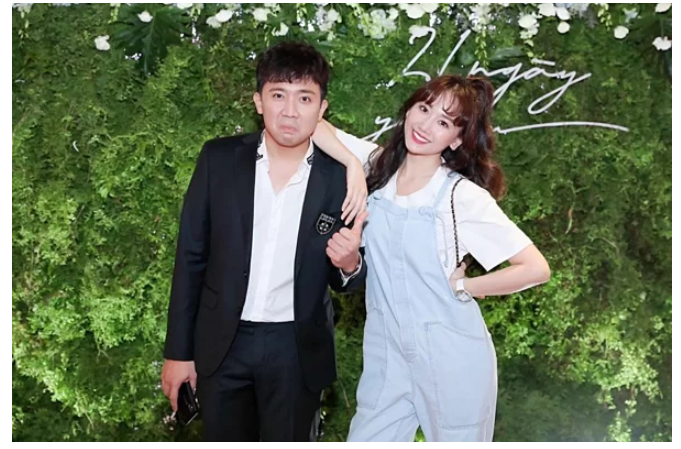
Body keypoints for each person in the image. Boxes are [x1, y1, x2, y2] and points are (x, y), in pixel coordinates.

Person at [311, 74, 551, 442]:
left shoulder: (461, 196)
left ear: (456, 139)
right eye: (424, 109)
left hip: (452, 356)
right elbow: (314, 125)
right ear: (409, 110)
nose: (425, 126)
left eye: (443, 122)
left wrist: (466, 285)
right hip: (386, 352)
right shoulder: (378, 167)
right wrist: (352, 165)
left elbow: (535, 268)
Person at [160, 41, 369, 442]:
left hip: (297, 350)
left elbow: (346, 276)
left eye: (304, 98)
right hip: (222, 344)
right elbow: (190, 259)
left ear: (322, 109)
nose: (290, 111)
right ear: (258, 101)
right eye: (278, 95)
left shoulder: (339, 180)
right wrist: (178, 353)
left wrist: (349, 264)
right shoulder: (218, 160)